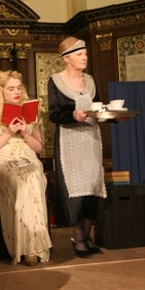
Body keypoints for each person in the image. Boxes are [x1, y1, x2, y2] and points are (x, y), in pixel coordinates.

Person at [0, 70, 52, 266]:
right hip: (3, 158)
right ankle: (25, 248)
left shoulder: (30, 113)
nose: (16, 92)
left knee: (32, 175)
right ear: (1, 91)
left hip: (27, 156)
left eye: (19, 88)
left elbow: (38, 148)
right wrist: (8, 133)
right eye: (11, 88)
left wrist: (24, 132)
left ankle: (34, 246)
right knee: (21, 178)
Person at [47, 37, 106, 257]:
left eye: (85, 54)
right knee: (76, 189)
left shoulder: (90, 80)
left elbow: (98, 107)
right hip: (69, 140)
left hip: (90, 139)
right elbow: (53, 114)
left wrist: (114, 117)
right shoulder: (55, 81)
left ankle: (86, 236)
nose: (85, 58)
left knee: (92, 186)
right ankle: (78, 237)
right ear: (66, 58)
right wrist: (72, 115)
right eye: (80, 54)